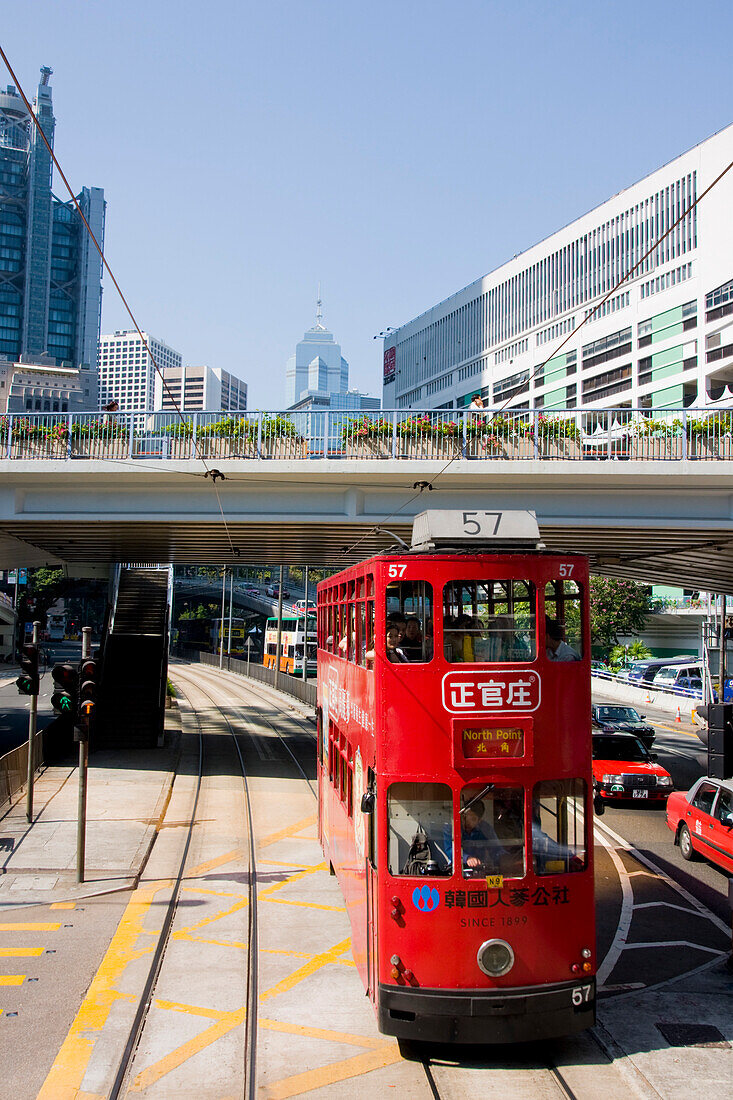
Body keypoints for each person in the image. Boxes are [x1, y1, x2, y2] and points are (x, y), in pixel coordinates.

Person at [460, 799, 506, 875]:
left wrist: (506, 858)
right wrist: (467, 858)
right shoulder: (451, 828)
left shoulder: (486, 829)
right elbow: (450, 850)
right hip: (457, 870)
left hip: (480, 870)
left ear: (479, 820)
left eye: (473, 819)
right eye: (465, 817)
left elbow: (496, 849)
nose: (468, 822)